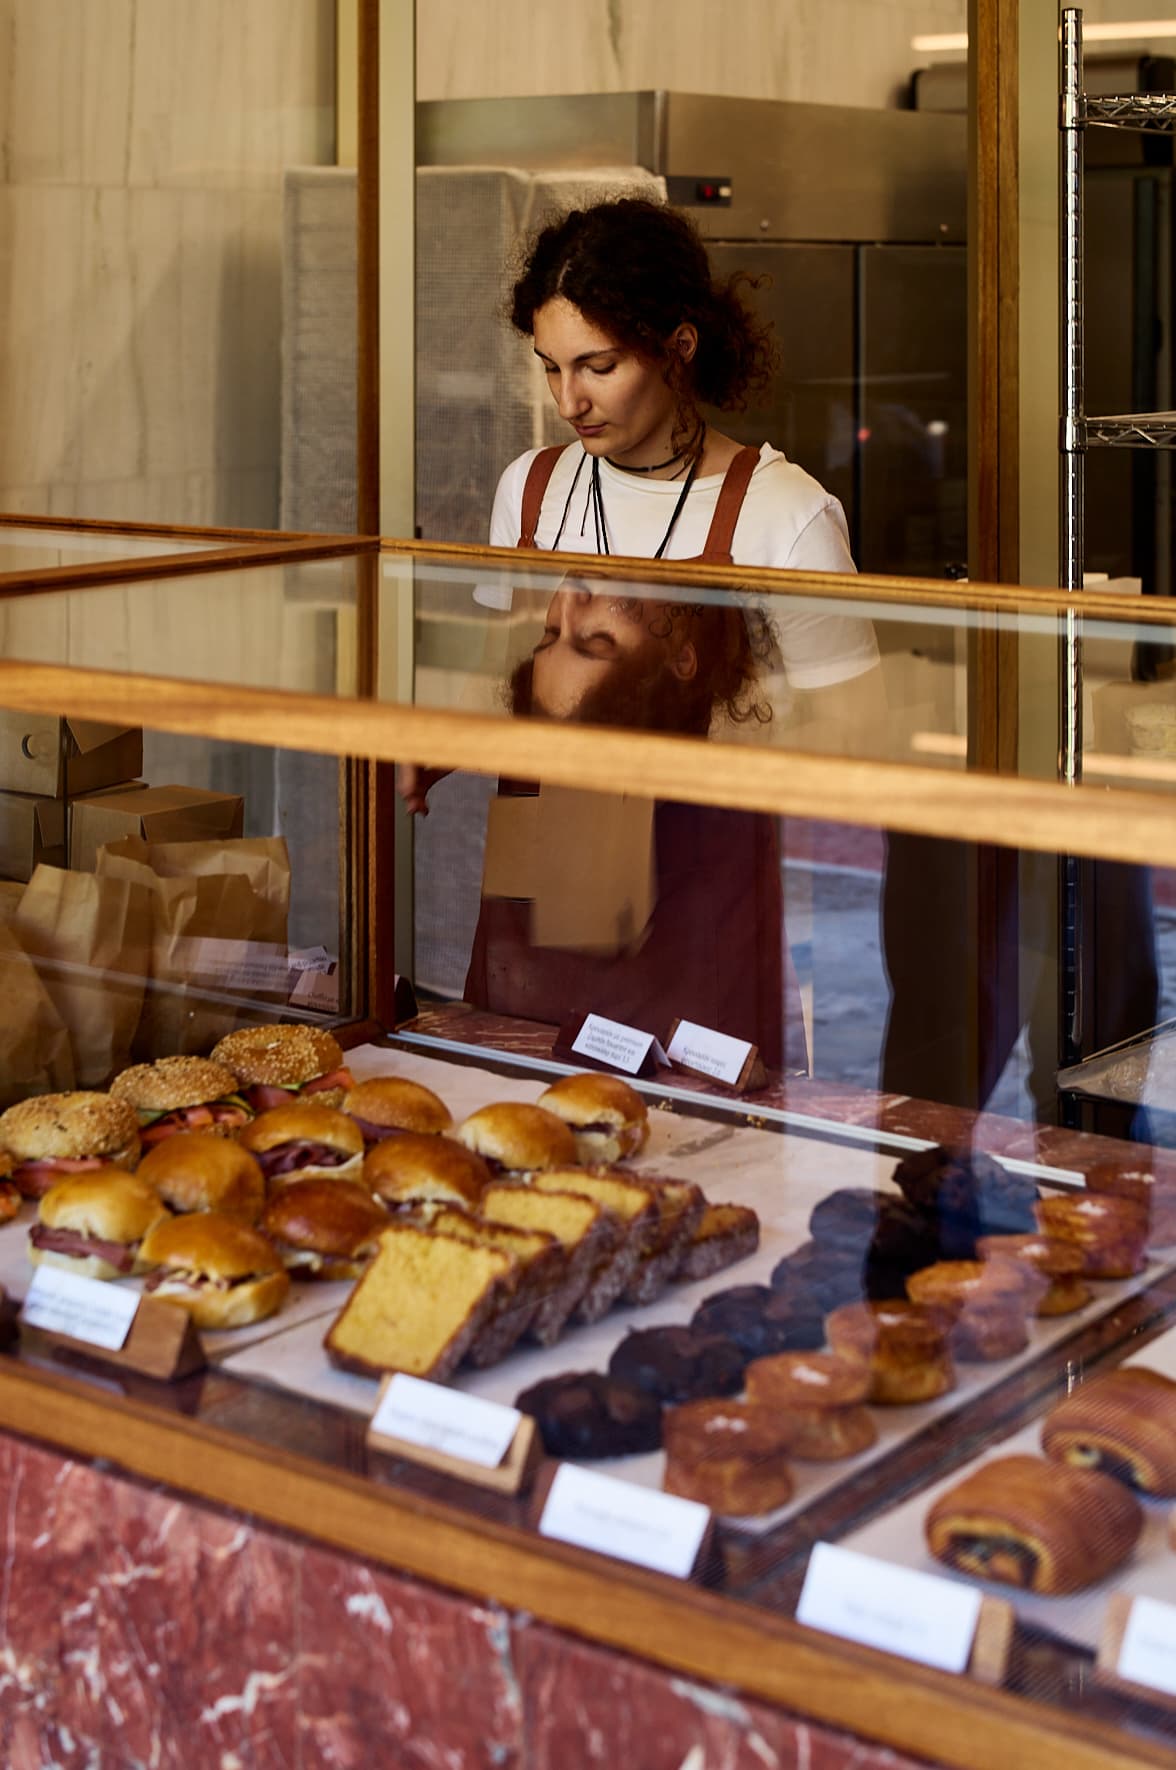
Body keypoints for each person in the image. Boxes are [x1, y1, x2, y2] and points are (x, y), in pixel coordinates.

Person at [402, 197, 884, 1072]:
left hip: (700, 905)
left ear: (679, 347)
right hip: (543, 885)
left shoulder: (782, 514)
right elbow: (499, 677)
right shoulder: (531, 489)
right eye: (550, 368)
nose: (568, 401)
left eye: (599, 366)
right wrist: (436, 746)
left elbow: (859, 749)